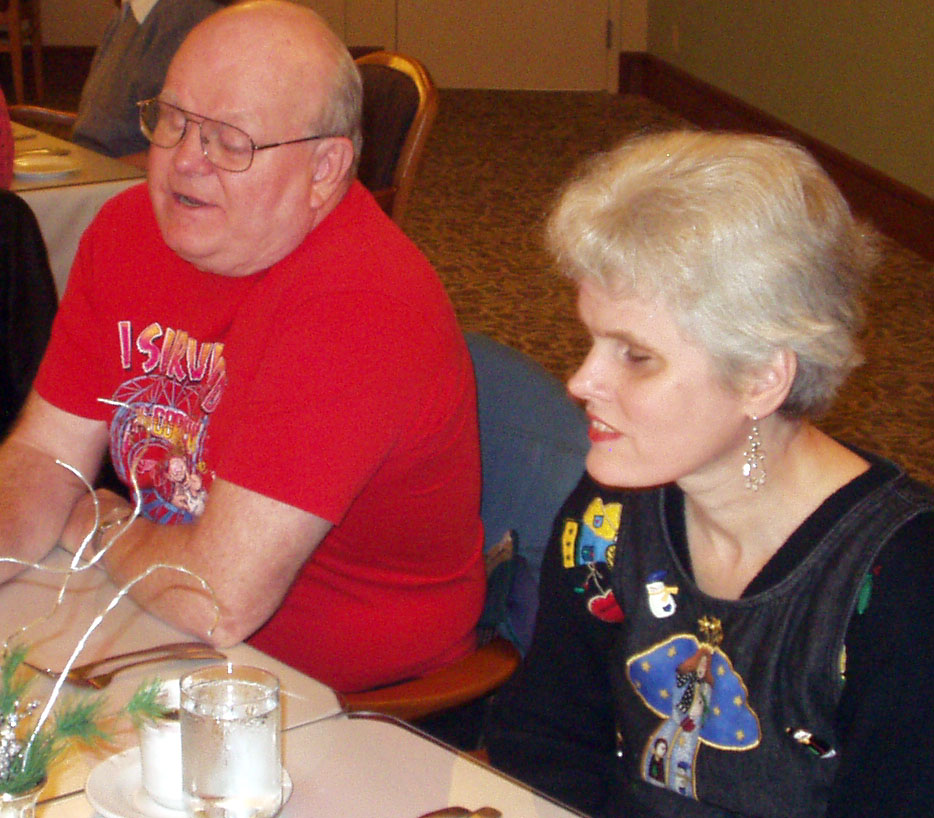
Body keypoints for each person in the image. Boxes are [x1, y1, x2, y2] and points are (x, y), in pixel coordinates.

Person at [0, 0, 485, 695]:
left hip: (345, 702)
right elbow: (45, 458)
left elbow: (216, 599)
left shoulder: (359, 303)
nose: (184, 161)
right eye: (172, 120)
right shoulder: (128, 231)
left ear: (325, 168)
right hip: (157, 628)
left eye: (230, 142)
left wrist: (98, 524)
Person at [485, 131, 934, 817]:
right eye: (591, 340)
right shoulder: (609, 514)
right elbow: (543, 739)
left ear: (761, 378)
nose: (580, 381)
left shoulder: (902, 582)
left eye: (635, 356)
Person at [71, 0, 228, 165]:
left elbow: (179, 148)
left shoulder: (184, 14)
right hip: (91, 165)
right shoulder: (130, 11)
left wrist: (99, 169)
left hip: (120, 174)